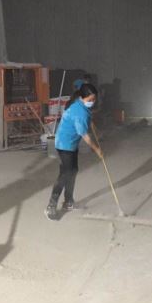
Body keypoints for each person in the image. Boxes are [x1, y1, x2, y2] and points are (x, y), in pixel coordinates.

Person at [45, 83, 102, 220]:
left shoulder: (81, 106)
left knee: (73, 171)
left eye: (94, 99)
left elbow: (88, 119)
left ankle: (68, 202)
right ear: (82, 97)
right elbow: (85, 135)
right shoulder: (79, 112)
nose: (92, 102)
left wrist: (93, 125)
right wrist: (97, 149)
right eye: (90, 100)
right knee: (66, 174)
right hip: (64, 144)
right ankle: (51, 205)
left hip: (71, 144)